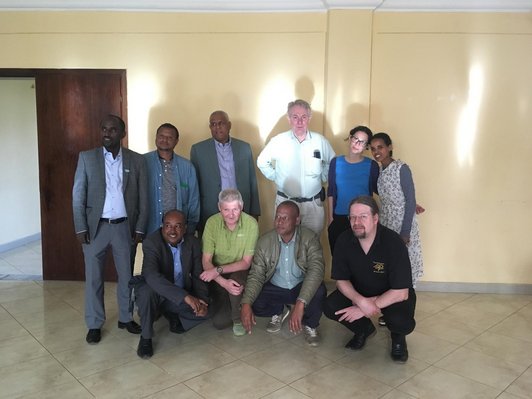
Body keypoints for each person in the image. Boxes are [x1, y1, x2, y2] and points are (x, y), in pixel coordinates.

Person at [72, 114, 148, 344]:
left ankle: (125, 318)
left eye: (113, 129)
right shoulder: (87, 158)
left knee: (126, 276)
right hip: (96, 228)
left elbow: (143, 198)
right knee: (94, 278)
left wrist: (141, 227)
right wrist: (80, 227)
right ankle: (94, 324)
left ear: (122, 133)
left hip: (124, 227)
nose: (107, 133)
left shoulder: (136, 160)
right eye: (104, 128)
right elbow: (78, 196)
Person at [324, 196, 416, 363]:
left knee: (400, 321)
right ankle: (363, 330)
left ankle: (398, 337)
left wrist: (366, 307)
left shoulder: (393, 243)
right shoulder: (344, 240)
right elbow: (341, 281)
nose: (356, 222)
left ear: (375, 219)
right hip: (360, 291)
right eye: (352, 217)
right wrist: (359, 300)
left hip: (392, 294)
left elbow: (401, 292)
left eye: (363, 216)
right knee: (331, 306)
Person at [240, 201, 326, 346]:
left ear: (297, 220)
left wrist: (300, 304)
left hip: (300, 286)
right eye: (277, 217)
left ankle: (310, 324)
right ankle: (277, 311)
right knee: (252, 299)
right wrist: (246, 303)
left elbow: (316, 271)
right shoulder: (264, 241)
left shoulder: (309, 238)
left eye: (285, 218)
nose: (279, 222)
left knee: (319, 291)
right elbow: (256, 275)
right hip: (276, 287)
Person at [135, 210, 209, 359]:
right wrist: (185, 297)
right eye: (168, 226)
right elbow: (151, 276)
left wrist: (203, 301)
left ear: (185, 228)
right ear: (162, 226)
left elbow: (197, 274)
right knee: (146, 292)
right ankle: (146, 337)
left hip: (180, 293)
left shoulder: (193, 243)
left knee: (209, 311)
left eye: (177, 226)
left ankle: (173, 315)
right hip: (157, 292)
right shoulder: (151, 242)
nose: (172, 231)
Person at [257, 99, 335, 235]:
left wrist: (323, 176)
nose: (299, 121)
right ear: (289, 119)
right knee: (284, 243)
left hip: (313, 206)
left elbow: (333, 163)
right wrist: (277, 177)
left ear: (309, 119)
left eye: (304, 117)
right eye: (295, 117)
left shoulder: (320, 141)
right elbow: (262, 162)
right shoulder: (278, 141)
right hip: (285, 202)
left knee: (312, 247)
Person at [199, 189, 259, 336]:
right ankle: (232, 303)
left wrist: (217, 271)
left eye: (235, 209)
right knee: (219, 323)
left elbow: (245, 262)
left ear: (242, 206)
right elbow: (206, 261)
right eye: (226, 209)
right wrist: (222, 282)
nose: (231, 215)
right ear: (219, 207)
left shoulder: (251, 223)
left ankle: (237, 318)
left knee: (236, 283)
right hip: (217, 274)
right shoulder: (212, 223)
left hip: (240, 270)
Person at [190, 110, 261, 231]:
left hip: (240, 208)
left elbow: (252, 180)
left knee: (241, 246)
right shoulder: (198, 150)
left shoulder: (244, 148)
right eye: (213, 124)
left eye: (221, 123)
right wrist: (195, 217)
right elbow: (194, 186)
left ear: (229, 125)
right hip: (211, 210)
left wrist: (254, 211)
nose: (217, 127)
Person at [369, 132, 423, 287]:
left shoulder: (401, 168)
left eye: (380, 147)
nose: (376, 152)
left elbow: (409, 200)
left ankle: (406, 296)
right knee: (390, 259)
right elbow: (389, 192)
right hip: (386, 220)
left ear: (390, 147)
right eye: (373, 149)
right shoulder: (380, 170)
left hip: (402, 222)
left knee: (405, 260)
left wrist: (405, 232)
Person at [327, 125, 379, 252]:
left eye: (362, 142)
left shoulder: (371, 165)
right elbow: (331, 191)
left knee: (361, 257)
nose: (357, 143)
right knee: (339, 258)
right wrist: (330, 219)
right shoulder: (335, 163)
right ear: (350, 138)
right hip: (339, 217)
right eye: (356, 139)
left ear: (366, 146)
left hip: (363, 219)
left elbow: (381, 191)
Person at [144, 123, 199, 236]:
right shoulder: (142, 162)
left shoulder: (187, 167)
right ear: (156, 138)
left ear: (176, 141)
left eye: (169, 137)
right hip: (151, 226)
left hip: (178, 229)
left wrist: (191, 226)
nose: (165, 140)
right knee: (152, 253)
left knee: (178, 254)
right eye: (161, 136)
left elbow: (193, 199)